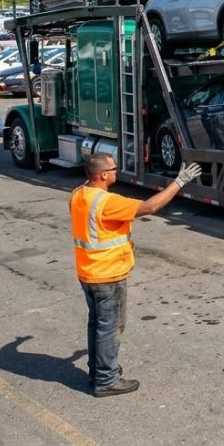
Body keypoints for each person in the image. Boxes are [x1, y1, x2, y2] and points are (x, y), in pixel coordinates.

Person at [71, 153, 202, 397]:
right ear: (103, 175)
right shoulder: (107, 202)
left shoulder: (79, 194)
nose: (116, 171)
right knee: (110, 327)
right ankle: (106, 379)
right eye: (113, 168)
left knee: (97, 324)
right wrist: (180, 181)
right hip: (108, 275)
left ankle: (98, 370)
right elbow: (150, 206)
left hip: (88, 272)